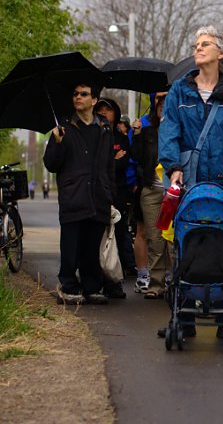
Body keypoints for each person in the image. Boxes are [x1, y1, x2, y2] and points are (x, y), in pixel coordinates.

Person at [157, 26, 223, 336]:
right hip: (190, 181)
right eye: (196, 44)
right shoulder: (180, 90)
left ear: (221, 53)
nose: (198, 48)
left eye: (205, 44)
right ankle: (184, 318)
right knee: (185, 244)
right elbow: (169, 131)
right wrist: (173, 165)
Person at [43, 82, 115, 306]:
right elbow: (51, 164)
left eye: (84, 94)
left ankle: (92, 287)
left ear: (94, 100)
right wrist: (56, 143)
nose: (78, 97)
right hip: (74, 195)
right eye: (75, 94)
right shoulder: (63, 128)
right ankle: (69, 286)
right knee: (71, 247)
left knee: (91, 247)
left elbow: (109, 165)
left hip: (98, 196)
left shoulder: (104, 128)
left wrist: (110, 195)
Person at [130, 92, 169, 299]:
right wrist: (136, 135)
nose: (163, 106)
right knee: (154, 238)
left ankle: (173, 281)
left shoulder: (178, 130)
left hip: (173, 190)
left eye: (167, 103)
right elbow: (136, 156)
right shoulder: (147, 131)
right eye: (160, 103)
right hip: (151, 190)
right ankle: (155, 284)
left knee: (172, 240)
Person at [95, 97, 133, 299]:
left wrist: (110, 161)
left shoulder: (120, 137)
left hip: (118, 193)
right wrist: (111, 160)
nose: (103, 113)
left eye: (107, 110)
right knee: (96, 236)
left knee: (116, 236)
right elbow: (96, 165)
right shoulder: (93, 134)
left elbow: (123, 162)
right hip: (96, 194)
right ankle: (95, 280)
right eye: (99, 109)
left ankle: (114, 282)